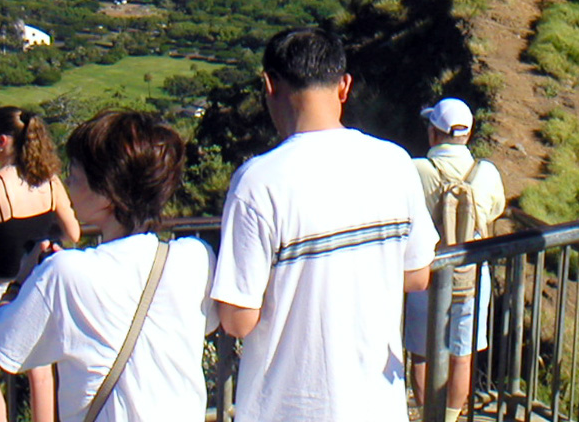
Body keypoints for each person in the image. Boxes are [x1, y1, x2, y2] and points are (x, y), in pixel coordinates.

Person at [211, 27, 439, 422]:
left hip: (288, 407)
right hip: (378, 405)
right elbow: (418, 275)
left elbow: (237, 319)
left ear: (269, 85)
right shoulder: (394, 163)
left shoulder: (258, 182)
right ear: (344, 85)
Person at [0, 110, 218, 422]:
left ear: (108, 193)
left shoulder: (65, 271)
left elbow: (5, 344)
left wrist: (22, 280)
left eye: (76, 176)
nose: (68, 183)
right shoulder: (195, 257)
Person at [0, 107, 81, 422]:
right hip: (41, 287)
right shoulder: (50, 181)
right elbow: (73, 232)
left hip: (2, 290)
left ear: (3, 141)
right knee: (40, 370)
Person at [405, 98, 505, 422]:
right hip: (473, 270)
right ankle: (449, 419)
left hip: (428, 268)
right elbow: (496, 209)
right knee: (462, 356)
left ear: (434, 134)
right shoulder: (486, 173)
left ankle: (426, 415)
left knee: (422, 355)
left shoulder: (418, 170)